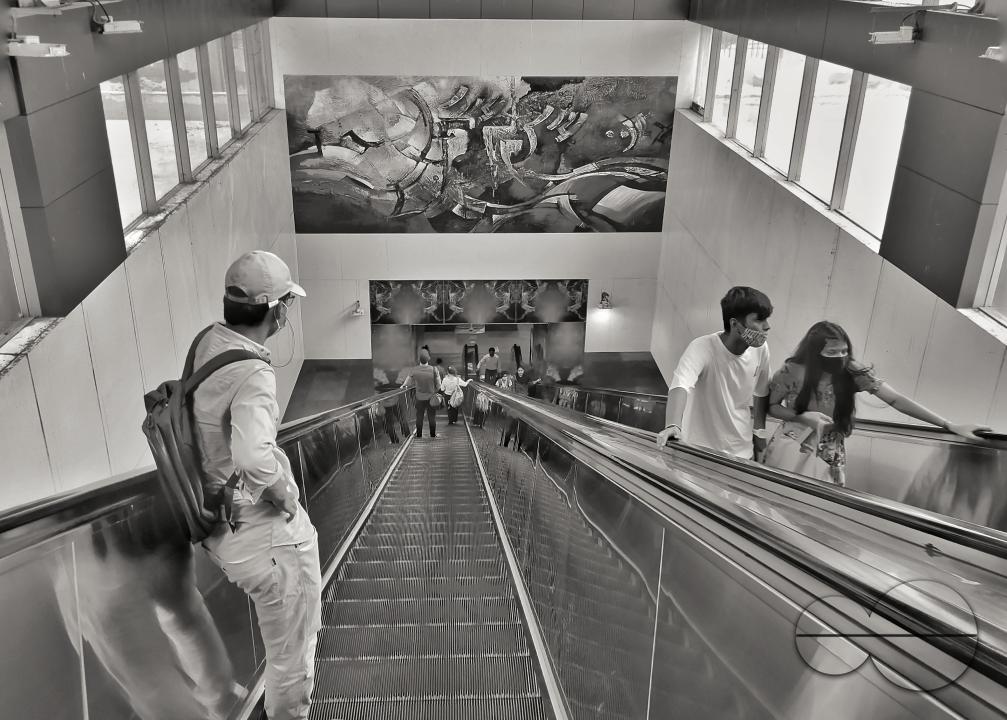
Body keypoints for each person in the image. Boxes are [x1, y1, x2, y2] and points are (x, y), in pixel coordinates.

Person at [191, 250, 321, 720]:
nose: (288, 311)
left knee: (284, 647)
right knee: (293, 654)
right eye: (286, 302)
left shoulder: (208, 344)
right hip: (261, 537)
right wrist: (285, 493)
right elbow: (252, 455)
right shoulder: (253, 371)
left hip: (217, 522)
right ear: (275, 309)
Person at [764, 321, 990, 486]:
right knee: (782, 494)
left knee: (822, 503)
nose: (840, 356)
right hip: (793, 442)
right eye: (832, 352)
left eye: (844, 351)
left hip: (830, 446)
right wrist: (803, 417)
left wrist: (949, 424)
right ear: (815, 352)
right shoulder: (791, 371)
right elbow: (771, 406)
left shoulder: (851, 371)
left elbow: (895, 399)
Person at [656, 286, 773, 460]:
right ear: (735, 324)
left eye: (766, 319)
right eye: (759, 320)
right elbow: (680, 384)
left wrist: (759, 431)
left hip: (741, 453)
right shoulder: (703, 347)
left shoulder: (761, 349)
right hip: (699, 451)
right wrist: (673, 425)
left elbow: (762, 392)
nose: (767, 327)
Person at [403, 349, 439, 438]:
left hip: (419, 398)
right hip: (431, 398)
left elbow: (406, 383)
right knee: (431, 417)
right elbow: (439, 385)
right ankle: (433, 435)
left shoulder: (414, 370)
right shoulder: (434, 369)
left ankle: (419, 435)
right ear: (428, 358)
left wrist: (402, 387)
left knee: (419, 416)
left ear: (419, 359)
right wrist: (434, 390)